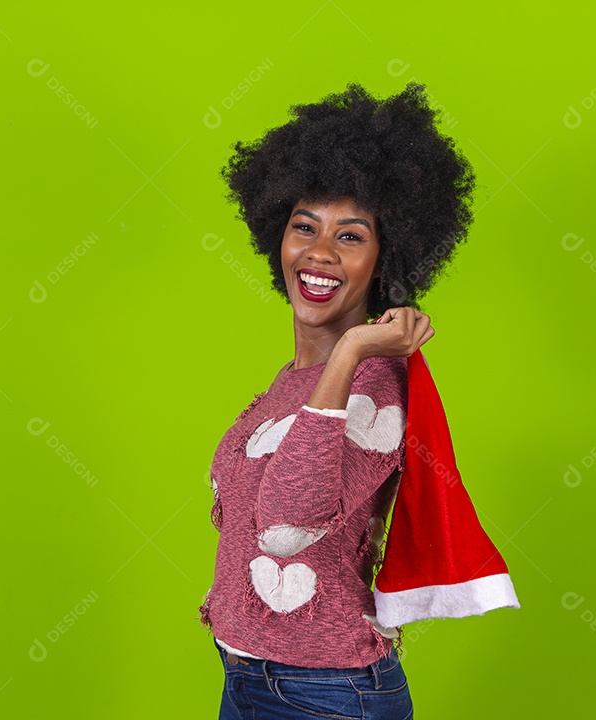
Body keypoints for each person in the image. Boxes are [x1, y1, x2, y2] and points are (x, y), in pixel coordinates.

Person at [200, 81, 476, 720]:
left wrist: (352, 349)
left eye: (350, 236)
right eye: (304, 227)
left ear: (385, 258)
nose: (319, 253)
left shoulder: (374, 380)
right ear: (278, 236)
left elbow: (286, 525)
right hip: (249, 681)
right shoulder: (291, 380)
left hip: (323, 695)